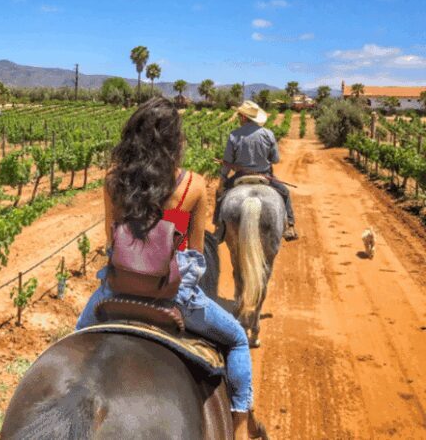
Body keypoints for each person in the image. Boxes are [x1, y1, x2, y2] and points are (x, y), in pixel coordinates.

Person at [76, 97, 262, 440]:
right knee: (236, 339)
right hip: (173, 297)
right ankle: (239, 431)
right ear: (174, 141)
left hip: (117, 291)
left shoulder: (113, 181)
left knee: (75, 343)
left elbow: (111, 243)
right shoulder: (192, 186)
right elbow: (195, 255)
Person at [215, 100, 298, 241]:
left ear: (243, 117)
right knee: (284, 192)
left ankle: (219, 228)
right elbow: (275, 159)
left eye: (240, 116)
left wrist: (222, 179)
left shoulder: (234, 135)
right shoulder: (268, 134)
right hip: (264, 176)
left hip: (240, 176)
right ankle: (290, 226)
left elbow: (228, 162)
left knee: (220, 195)